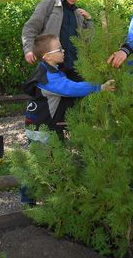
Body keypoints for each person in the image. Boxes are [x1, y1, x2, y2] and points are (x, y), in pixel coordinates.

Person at [21, 34, 114, 204]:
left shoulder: (49, 69)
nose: (63, 51)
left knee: (44, 161)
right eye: (59, 49)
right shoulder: (49, 79)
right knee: (46, 165)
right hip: (43, 128)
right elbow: (72, 88)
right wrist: (99, 87)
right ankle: (31, 202)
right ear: (47, 56)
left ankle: (40, 199)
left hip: (40, 125)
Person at [22, 0, 93, 81]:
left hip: (75, 68)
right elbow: (30, 28)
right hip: (53, 68)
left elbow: (87, 41)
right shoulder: (49, 5)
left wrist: (88, 20)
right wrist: (28, 49)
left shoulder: (78, 14)